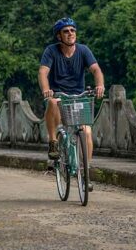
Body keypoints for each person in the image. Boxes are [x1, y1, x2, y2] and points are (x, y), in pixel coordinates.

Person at [38, 17, 104, 187]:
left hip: (79, 96)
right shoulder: (51, 51)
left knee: (87, 133)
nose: (70, 34)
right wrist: (46, 90)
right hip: (59, 95)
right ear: (59, 36)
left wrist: (100, 85)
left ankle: (86, 171)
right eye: (66, 31)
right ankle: (53, 142)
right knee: (52, 102)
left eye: (72, 30)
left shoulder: (83, 50)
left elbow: (96, 69)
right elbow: (43, 72)